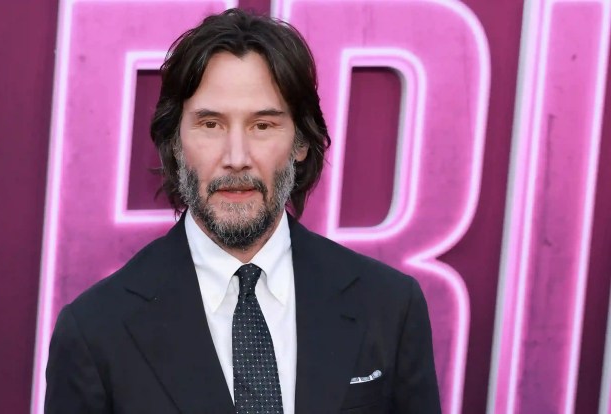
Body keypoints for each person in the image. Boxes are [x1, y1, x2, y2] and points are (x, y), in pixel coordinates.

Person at [45, 8, 441, 414]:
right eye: (211, 125)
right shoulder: (96, 331)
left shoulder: (389, 306)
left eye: (262, 126)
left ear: (301, 143)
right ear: (175, 143)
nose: (236, 158)